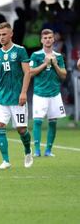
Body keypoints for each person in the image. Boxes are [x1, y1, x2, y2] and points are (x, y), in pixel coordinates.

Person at [0, 22, 33, 170]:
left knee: (21, 129)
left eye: (4, 34)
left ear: (11, 34)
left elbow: (28, 72)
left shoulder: (20, 51)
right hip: (1, 97)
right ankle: (6, 161)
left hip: (17, 98)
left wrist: (24, 92)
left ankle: (27, 151)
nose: (1, 37)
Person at [30, 29, 67, 157]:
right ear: (41, 40)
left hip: (55, 94)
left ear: (53, 39)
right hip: (40, 93)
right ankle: (37, 150)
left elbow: (63, 75)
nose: (48, 40)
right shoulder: (35, 55)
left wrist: (55, 65)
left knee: (53, 122)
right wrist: (44, 64)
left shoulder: (58, 56)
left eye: (50, 37)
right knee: (38, 121)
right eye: (45, 38)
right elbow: (30, 72)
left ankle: (48, 150)